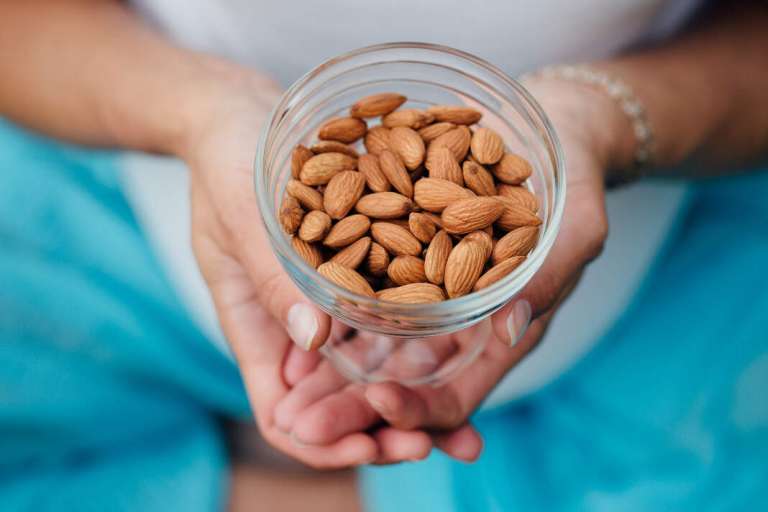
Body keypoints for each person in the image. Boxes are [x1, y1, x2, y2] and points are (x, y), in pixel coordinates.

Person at [1, 0, 766, 510]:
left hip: (652, 242)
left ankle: (299, 473)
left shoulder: (472, 198)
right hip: (140, 201)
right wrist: (198, 114)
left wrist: (609, 119)